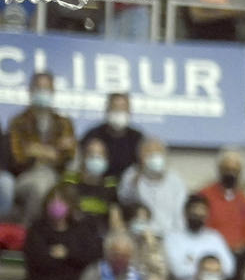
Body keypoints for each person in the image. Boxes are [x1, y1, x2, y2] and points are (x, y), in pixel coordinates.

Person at [10, 71, 77, 222]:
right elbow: (18, 157)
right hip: (27, 176)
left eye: (47, 88)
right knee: (40, 185)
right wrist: (52, 151)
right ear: (31, 91)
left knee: (63, 185)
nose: (43, 92)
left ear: (53, 92)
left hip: (57, 175)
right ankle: (30, 231)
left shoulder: (64, 122)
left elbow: (69, 154)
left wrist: (38, 150)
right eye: (39, 88)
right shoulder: (19, 122)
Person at [81, 92, 144, 184]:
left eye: (123, 108)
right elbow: (81, 166)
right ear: (107, 109)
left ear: (129, 111)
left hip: (128, 188)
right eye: (115, 108)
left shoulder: (138, 138)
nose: (119, 112)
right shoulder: (93, 135)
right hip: (98, 185)